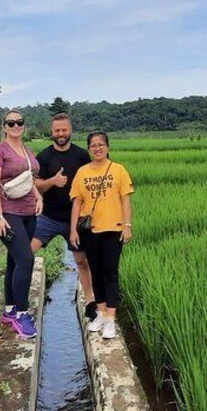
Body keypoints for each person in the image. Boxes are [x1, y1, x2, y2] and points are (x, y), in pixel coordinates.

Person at [30, 113, 97, 320]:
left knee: (82, 261)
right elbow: (35, 184)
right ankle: (19, 301)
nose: (61, 134)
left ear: (70, 131)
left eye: (64, 130)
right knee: (25, 253)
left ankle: (90, 300)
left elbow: (92, 180)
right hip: (48, 217)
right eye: (57, 130)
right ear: (51, 132)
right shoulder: (43, 157)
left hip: (75, 220)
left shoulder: (81, 156)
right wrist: (52, 181)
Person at [69, 131, 134, 340]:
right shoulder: (82, 172)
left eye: (101, 144)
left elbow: (125, 200)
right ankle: (101, 313)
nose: (97, 148)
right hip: (91, 231)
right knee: (96, 272)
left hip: (114, 230)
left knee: (110, 273)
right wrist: (72, 230)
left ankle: (111, 320)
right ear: (89, 149)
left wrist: (127, 226)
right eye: (93, 145)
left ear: (107, 146)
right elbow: (77, 203)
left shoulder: (118, 170)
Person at [0, 109, 43, 339]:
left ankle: (9, 310)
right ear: (4, 127)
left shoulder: (27, 151)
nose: (16, 126)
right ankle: (21, 314)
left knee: (14, 259)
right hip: (8, 213)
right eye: (11, 123)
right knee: (26, 258)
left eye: (20, 122)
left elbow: (29, 179)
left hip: (29, 212)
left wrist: (38, 196)